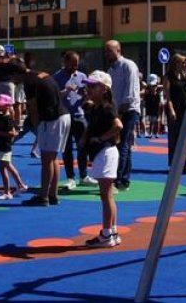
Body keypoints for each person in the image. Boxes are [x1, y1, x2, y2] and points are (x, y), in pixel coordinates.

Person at [80, 71, 123, 248]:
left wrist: (101, 138)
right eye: (88, 85)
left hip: (106, 152)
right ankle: (111, 231)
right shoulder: (99, 107)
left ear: (104, 89)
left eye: (93, 86)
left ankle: (106, 234)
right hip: (103, 152)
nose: (88, 88)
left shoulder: (107, 107)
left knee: (106, 195)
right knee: (108, 195)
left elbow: (118, 126)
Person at [19, 59, 70, 206]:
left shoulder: (29, 82)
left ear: (16, 74)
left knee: (47, 159)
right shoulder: (41, 74)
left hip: (51, 119)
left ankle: (43, 196)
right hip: (62, 115)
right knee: (53, 158)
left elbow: (33, 109)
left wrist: (38, 129)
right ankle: (53, 195)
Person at [104, 40, 141, 190]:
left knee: (121, 145)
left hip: (128, 110)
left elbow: (130, 95)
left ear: (118, 50)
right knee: (122, 144)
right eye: (105, 51)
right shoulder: (111, 70)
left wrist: (118, 114)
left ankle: (117, 179)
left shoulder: (128, 66)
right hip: (118, 110)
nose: (107, 54)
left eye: (109, 51)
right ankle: (124, 179)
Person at [53, 50, 89, 189]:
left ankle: (84, 175)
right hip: (65, 117)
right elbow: (55, 97)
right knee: (67, 148)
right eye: (72, 64)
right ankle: (70, 177)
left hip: (79, 116)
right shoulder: (57, 77)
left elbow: (87, 96)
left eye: (76, 64)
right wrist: (66, 90)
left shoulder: (82, 76)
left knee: (83, 146)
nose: (74, 67)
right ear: (65, 62)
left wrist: (85, 94)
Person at [162, 53, 186, 173]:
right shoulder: (168, 77)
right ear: (175, 63)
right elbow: (167, 96)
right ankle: (175, 164)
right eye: (182, 62)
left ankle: (185, 164)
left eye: (184, 63)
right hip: (174, 110)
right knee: (175, 138)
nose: (184, 65)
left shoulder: (185, 75)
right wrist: (171, 110)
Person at [0, 93, 28, 199]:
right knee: (8, 166)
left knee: (3, 168)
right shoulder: (1, 116)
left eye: (0, 104)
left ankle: (7, 192)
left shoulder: (7, 119)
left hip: (4, 146)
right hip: (1, 145)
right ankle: (20, 185)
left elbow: (12, 133)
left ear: (6, 106)